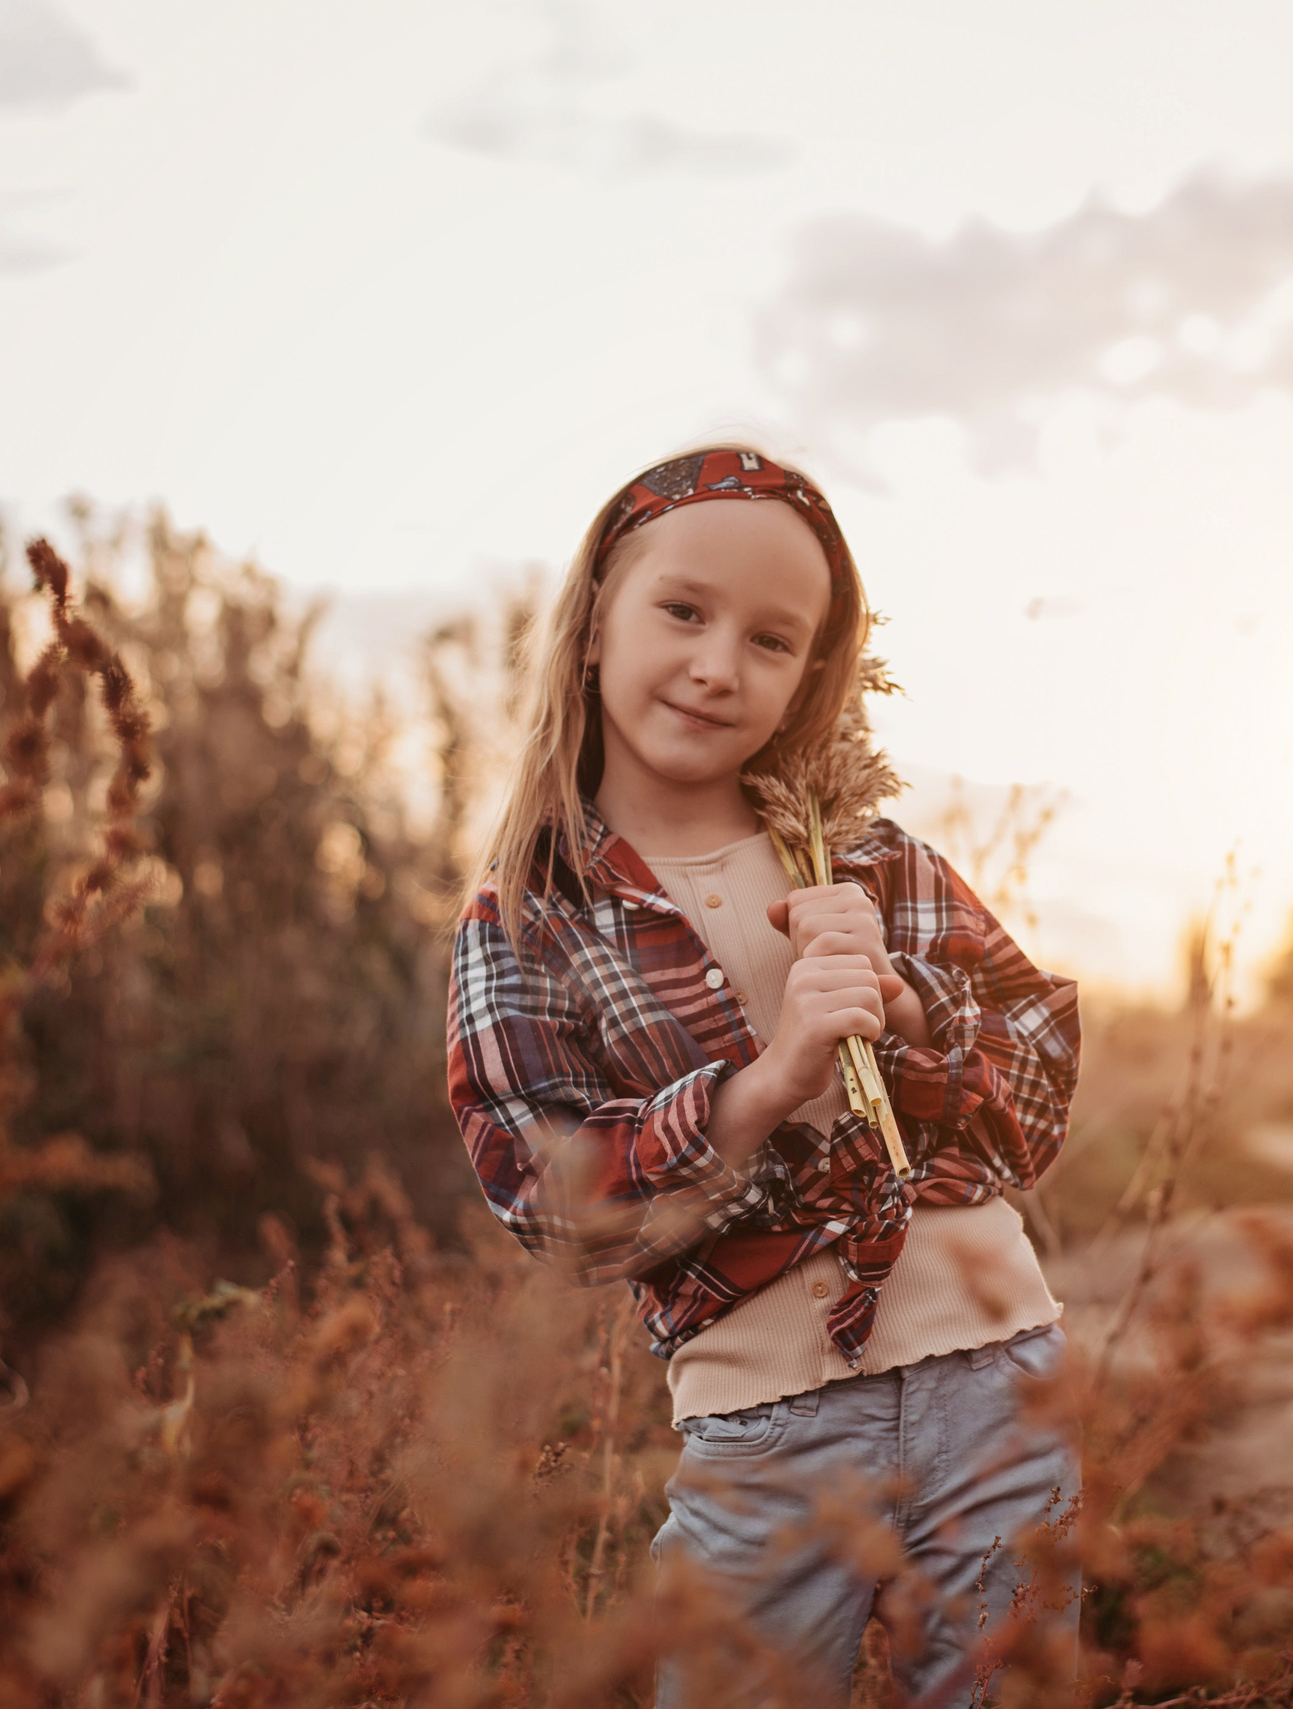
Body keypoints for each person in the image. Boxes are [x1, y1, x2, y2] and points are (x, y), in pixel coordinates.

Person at [446, 445, 1083, 1706]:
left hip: (998, 1370)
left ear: (809, 674)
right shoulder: (530, 919)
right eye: (682, 610)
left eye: (772, 639)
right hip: (771, 1421)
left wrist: (906, 1015)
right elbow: (550, 1199)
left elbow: (1042, 1079)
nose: (717, 664)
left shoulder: (868, 856)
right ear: (590, 626)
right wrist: (763, 1083)